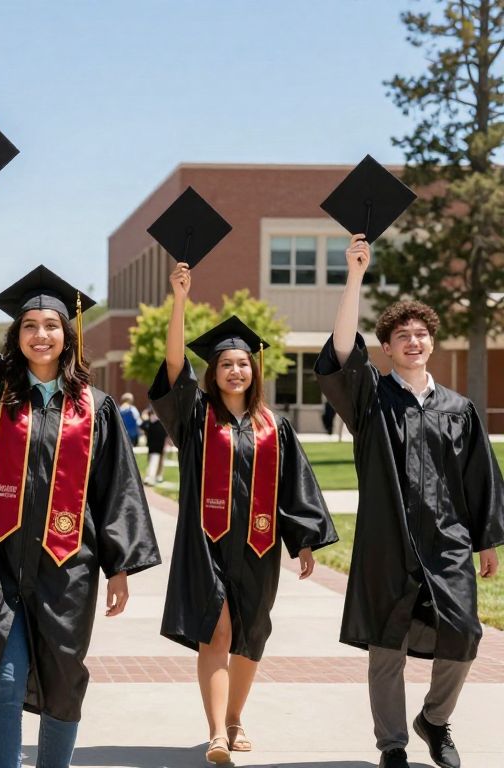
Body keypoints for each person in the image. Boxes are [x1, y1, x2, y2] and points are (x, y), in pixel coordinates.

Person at [0, 196, 160, 768]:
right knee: (4, 680)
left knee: (63, 682)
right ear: (17, 336)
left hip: (69, 566)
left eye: (51, 325)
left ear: (68, 334)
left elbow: (116, 489)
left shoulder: (96, 407)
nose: (40, 334)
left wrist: (120, 565)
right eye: (29, 326)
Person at [316, 234, 504, 768]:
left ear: (432, 343)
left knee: (465, 634)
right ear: (388, 347)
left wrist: (487, 541)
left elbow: (478, 477)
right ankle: (392, 744)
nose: (414, 342)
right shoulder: (372, 398)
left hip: (447, 541)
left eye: (422, 334)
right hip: (388, 540)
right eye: (403, 335)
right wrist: (355, 274)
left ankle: (435, 721)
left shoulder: (458, 408)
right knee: (386, 646)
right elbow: (341, 352)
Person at [151, 262, 337, 765]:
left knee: (251, 636)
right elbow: (171, 369)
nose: (236, 370)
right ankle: (216, 731)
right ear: (213, 371)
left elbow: (295, 485)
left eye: (243, 363)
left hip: (258, 544)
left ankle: (236, 718)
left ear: (255, 370)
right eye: (226, 363)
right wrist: (180, 301)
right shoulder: (194, 417)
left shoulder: (273, 427)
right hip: (205, 543)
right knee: (218, 630)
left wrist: (303, 538)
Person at [140, 406, 167, 485]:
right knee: (154, 460)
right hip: (154, 445)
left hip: (156, 445)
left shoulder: (156, 422)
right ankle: (153, 477)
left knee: (154, 460)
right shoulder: (155, 422)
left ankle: (152, 477)